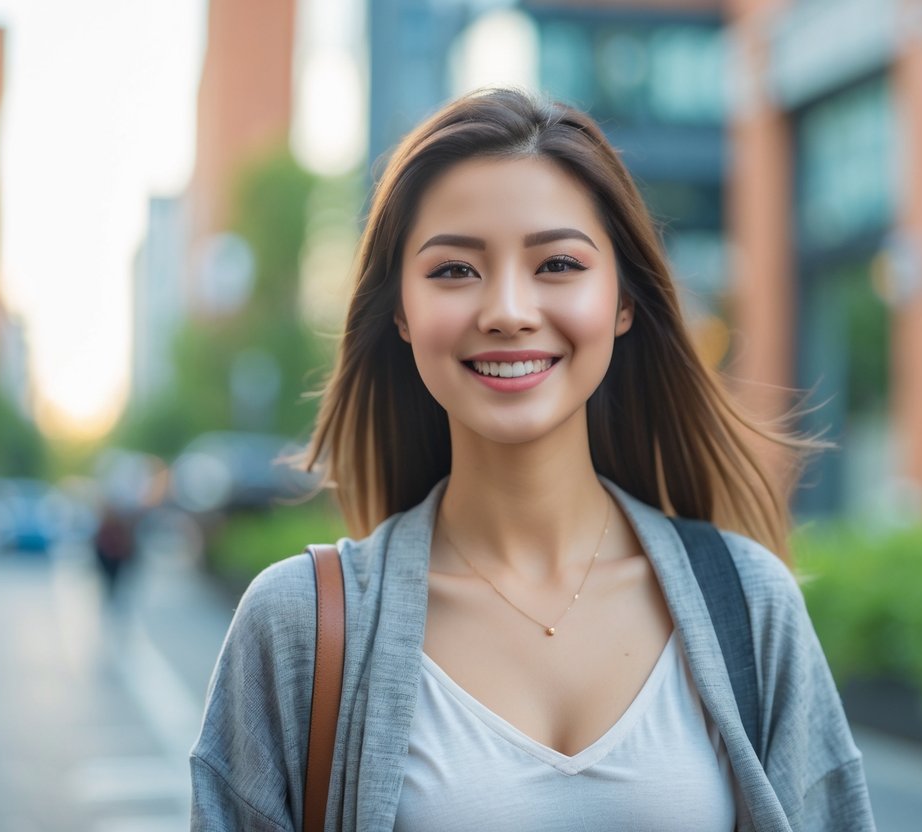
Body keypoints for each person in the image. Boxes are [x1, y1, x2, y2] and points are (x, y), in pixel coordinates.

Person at [190, 88, 875, 832]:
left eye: (556, 263)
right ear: (400, 313)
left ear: (621, 303)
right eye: (454, 270)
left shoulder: (748, 605)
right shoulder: (299, 627)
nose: (508, 310)